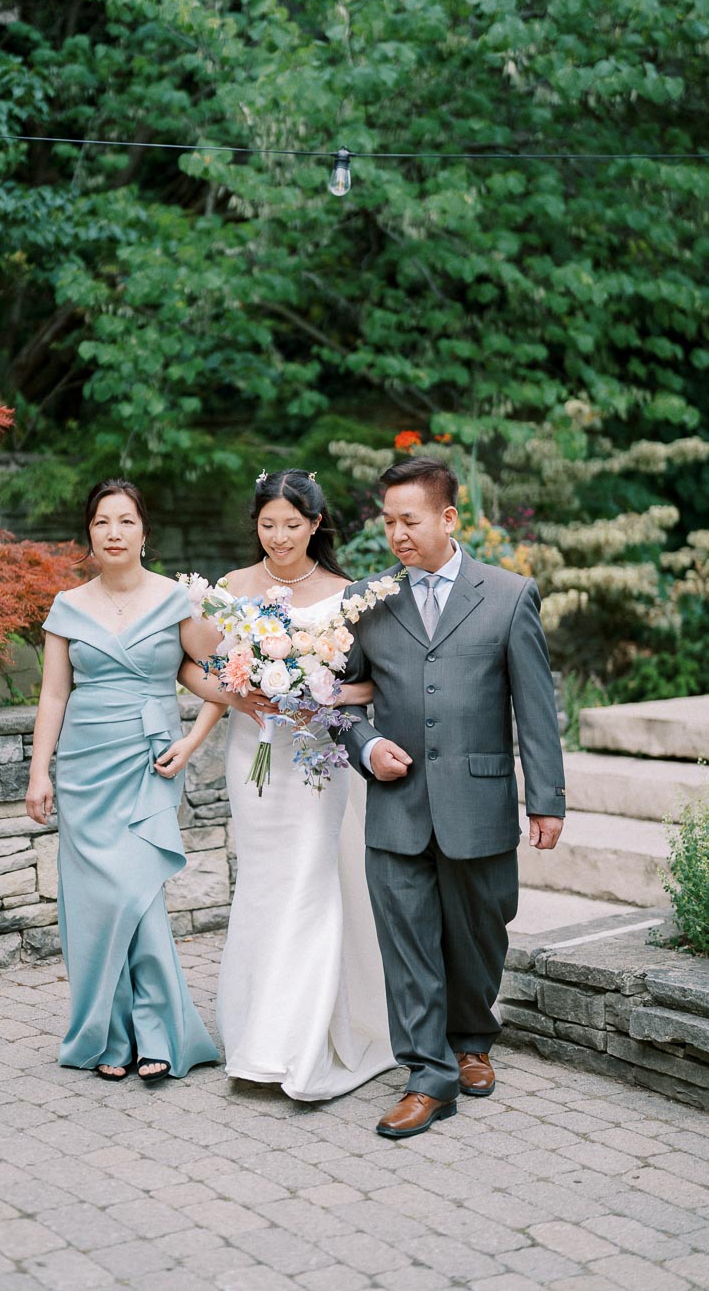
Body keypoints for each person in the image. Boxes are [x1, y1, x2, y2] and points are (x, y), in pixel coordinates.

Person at [339, 456, 565, 1138]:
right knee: (406, 944)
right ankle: (427, 1076)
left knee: (477, 937)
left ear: (448, 518)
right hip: (398, 806)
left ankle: (472, 1038)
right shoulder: (366, 601)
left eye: (410, 520)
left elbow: (535, 706)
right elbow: (336, 701)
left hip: (480, 802)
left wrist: (546, 799)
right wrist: (366, 746)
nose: (397, 534)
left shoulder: (508, 594)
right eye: (388, 521)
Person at [182, 469, 396, 1101]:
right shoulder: (229, 589)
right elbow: (193, 664)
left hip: (318, 763)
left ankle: (296, 1046)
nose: (280, 537)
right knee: (263, 882)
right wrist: (240, 695)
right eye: (268, 524)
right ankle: (256, 1033)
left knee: (310, 879)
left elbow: (377, 681)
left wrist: (317, 694)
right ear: (256, 523)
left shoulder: (344, 594)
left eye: (293, 525)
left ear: (316, 525)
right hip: (255, 756)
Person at [25, 479, 220, 1084]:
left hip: (149, 761)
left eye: (126, 521)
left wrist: (192, 741)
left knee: (139, 896)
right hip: (85, 767)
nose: (114, 532)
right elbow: (54, 693)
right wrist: (39, 772)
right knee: (97, 903)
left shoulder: (176, 601)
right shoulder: (66, 605)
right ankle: (109, 1034)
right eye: (103, 521)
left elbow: (224, 678)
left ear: (144, 532)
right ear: (90, 533)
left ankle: (159, 1033)